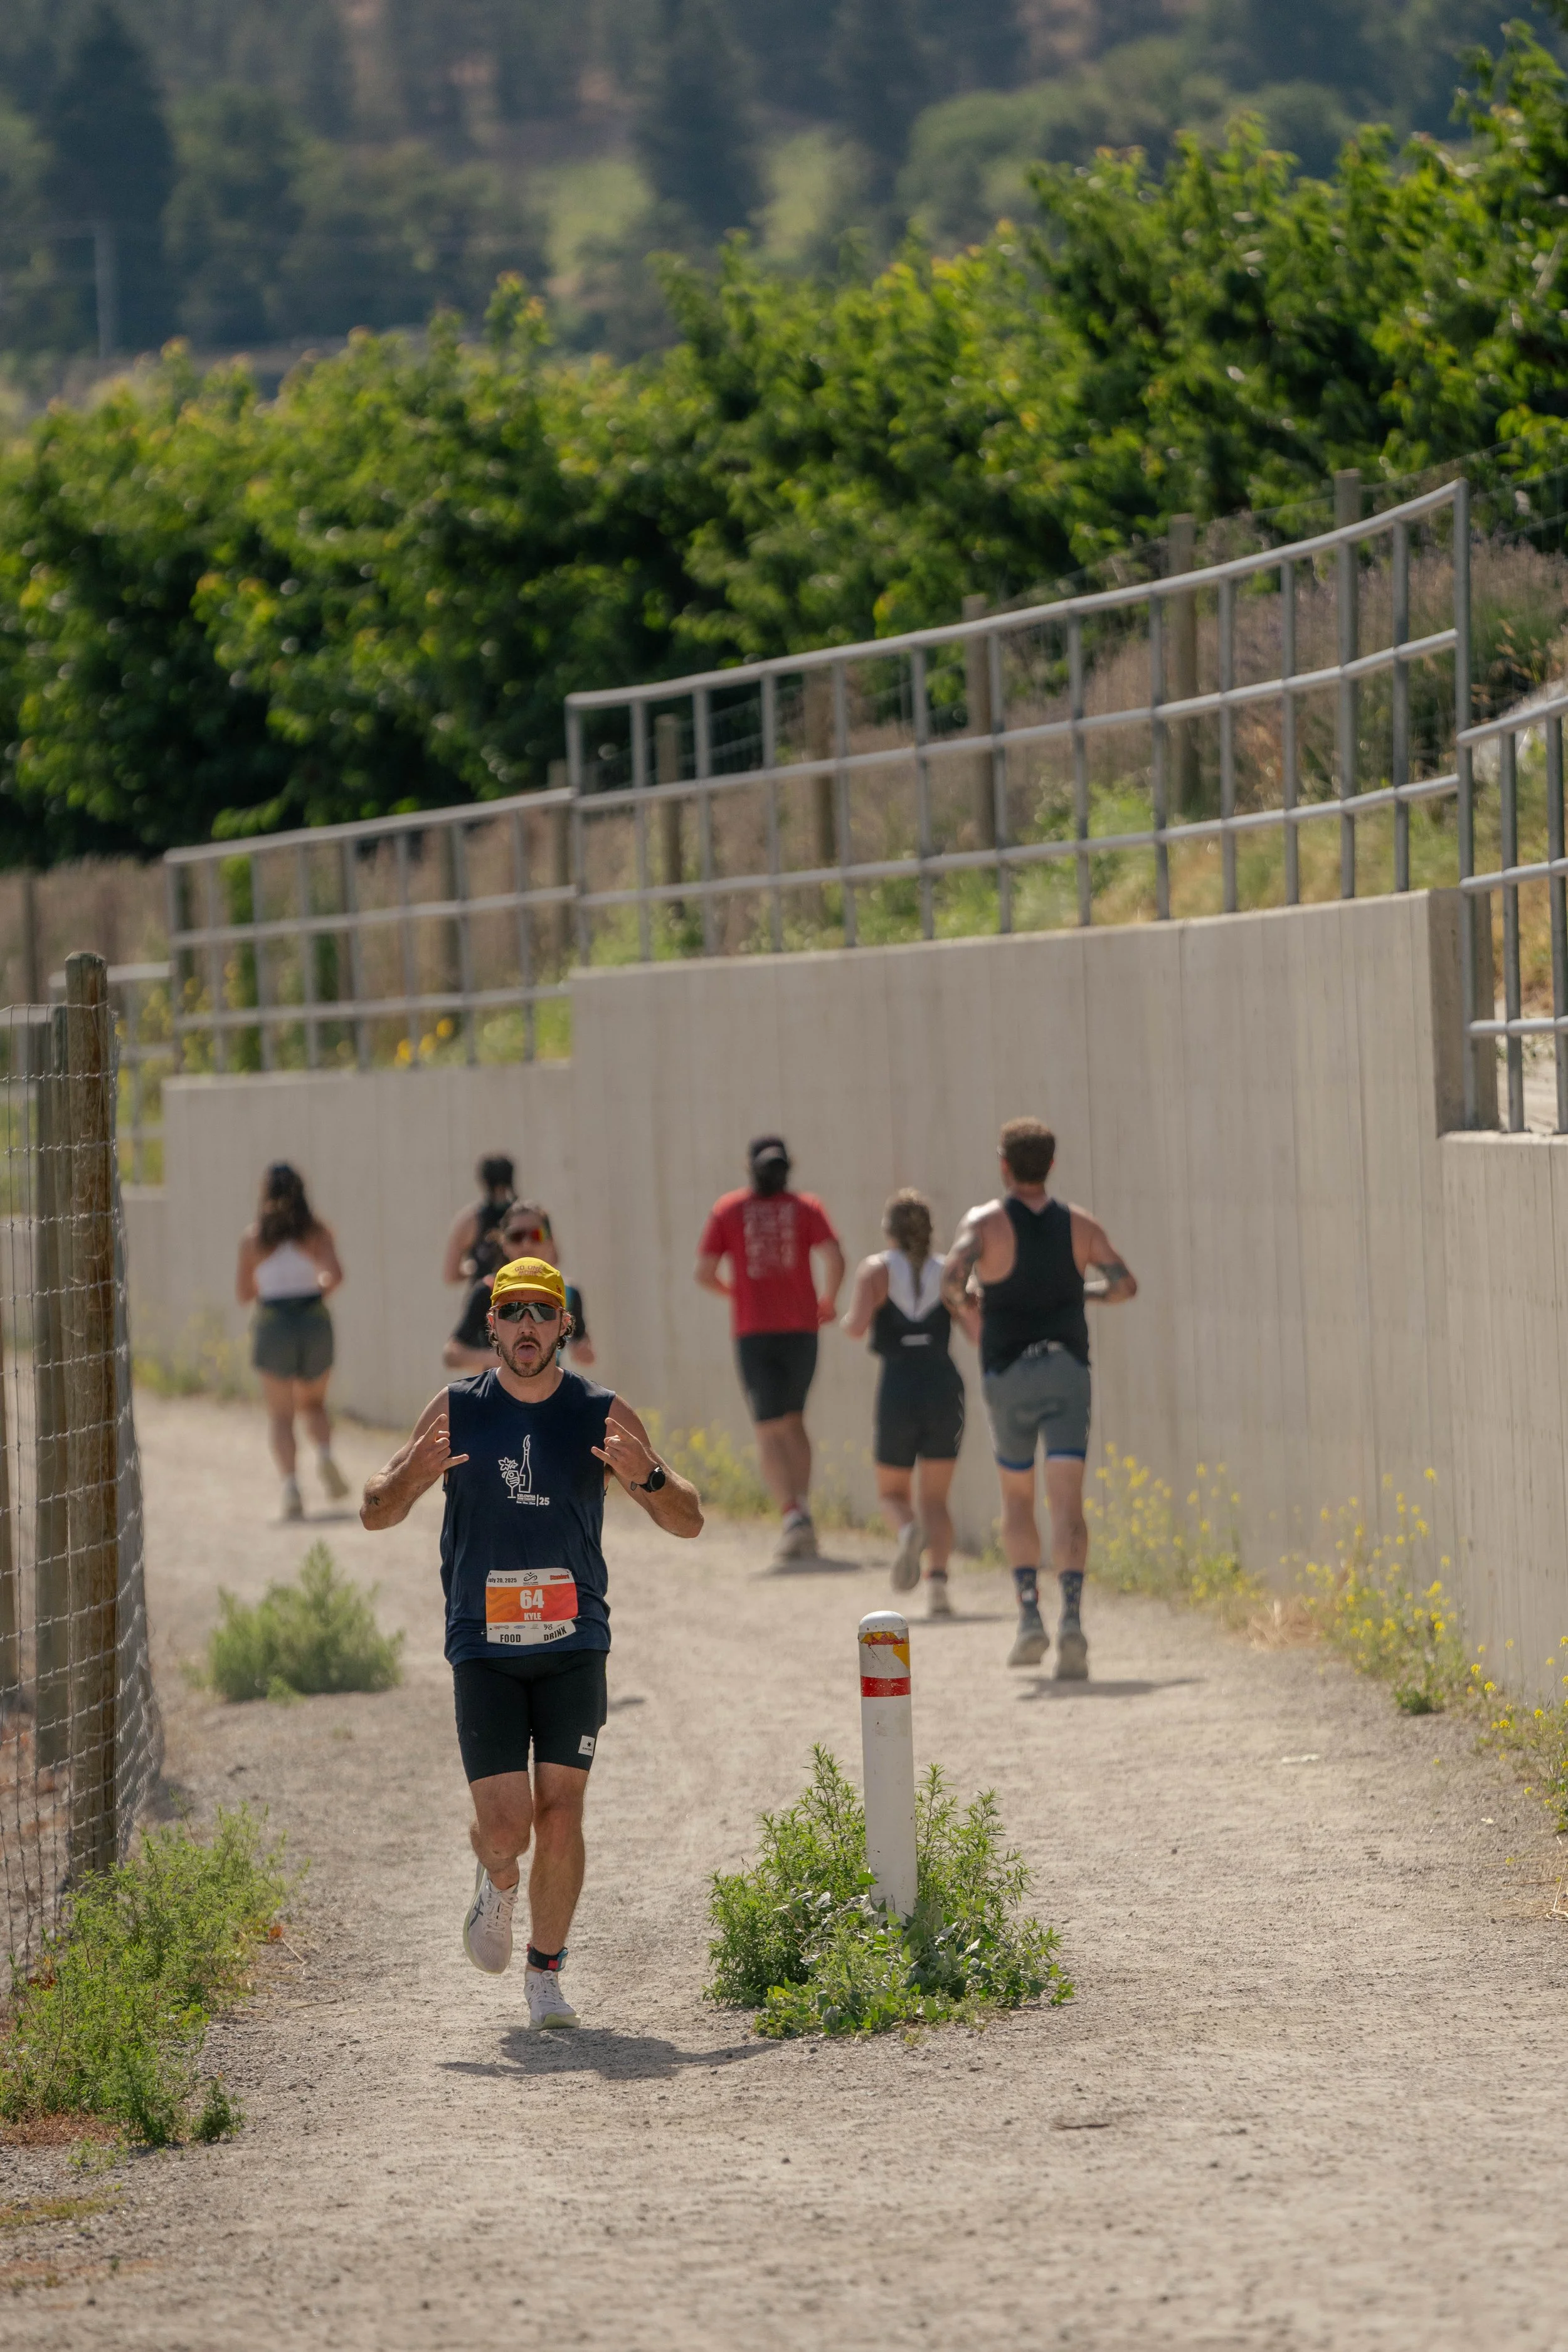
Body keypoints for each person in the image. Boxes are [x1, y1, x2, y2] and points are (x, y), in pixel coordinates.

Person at [360, 1257, 702, 2030]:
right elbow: (374, 1511)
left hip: (573, 1638)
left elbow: (689, 1519)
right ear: (490, 1324)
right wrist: (412, 1477)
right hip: (483, 1643)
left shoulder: (600, 1413)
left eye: (540, 1313)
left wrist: (647, 1479)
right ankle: (497, 1880)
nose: (525, 1327)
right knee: (508, 1828)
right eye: (510, 1312)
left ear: (564, 1327)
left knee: (563, 1810)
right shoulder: (455, 1410)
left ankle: (545, 1975)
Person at [941, 1118, 1137, 1677]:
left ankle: (1030, 1617)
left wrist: (972, 1299)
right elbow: (1125, 1285)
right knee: (1068, 1503)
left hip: (1008, 1373)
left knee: (1018, 1499)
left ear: (1004, 1164)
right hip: (1067, 1368)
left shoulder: (985, 1223)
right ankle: (1073, 1618)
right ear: (1051, 1165)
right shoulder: (1081, 1225)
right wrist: (1083, 1294)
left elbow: (950, 1282)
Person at [695, 1136, 845, 1563]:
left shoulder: (728, 1209)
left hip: (755, 1332)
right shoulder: (806, 1207)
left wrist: (736, 1293)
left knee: (769, 1426)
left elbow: (703, 1272)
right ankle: (801, 1510)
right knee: (793, 1421)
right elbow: (835, 1256)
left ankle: (792, 1515)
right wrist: (829, 1301)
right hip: (801, 1330)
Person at [841, 1189, 969, 1619]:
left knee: (892, 1492)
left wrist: (845, 1318)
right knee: (937, 1498)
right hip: (942, 1385)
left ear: (889, 1230)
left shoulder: (875, 1271)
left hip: (898, 1386)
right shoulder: (948, 1270)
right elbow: (975, 1328)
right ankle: (939, 1588)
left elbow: (856, 1328)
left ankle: (909, 1531)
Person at [235, 1162, 348, 1522]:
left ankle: (291, 1488)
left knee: (281, 1415)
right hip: (313, 1319)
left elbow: (243, 1293)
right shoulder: (317, 1232)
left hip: (274, 1323)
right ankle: (327, 1456)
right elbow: (336, 1276)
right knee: (314, 1404)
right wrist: (315, 1283)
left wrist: (271, 1284)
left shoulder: (253, 1239)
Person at [443, 1201, 596, 1375]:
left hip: (549, 1396)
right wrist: (499, 1356)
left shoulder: (567, 1292)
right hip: (499, 1396)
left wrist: (582, 1350)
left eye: (536, 1235)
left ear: (550, 1240)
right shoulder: (489, 1291)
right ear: (504, 1243)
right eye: (516, 1236)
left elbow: (587, 1353)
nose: (526, 1244)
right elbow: (451, 1354)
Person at [442, 1155, 517, 1360]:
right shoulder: (529, 1217)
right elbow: (552, 1257)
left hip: (489, 1305)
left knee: (491, 1370)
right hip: (529, 1297)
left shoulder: (470, 1220)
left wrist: (474, 1268)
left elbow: (450, 1274)